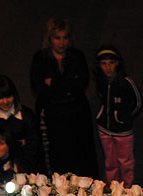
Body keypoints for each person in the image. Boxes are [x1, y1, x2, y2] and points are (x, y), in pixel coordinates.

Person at [30, 18, 98, 178]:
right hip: (53, 115)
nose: (62, 43)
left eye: (65, 38)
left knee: (80, 153)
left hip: (76, 113)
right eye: (57, 38)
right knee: (57, 154)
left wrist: (53, 82)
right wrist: (67, 83)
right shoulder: (40, 58)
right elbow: (37, 86)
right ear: (50, 39)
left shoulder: (77, 56)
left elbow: (81, 83)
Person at [93, 46, 143, 188]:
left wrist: (125, 117)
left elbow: (138, 102)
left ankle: (127, 189)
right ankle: (114, 189)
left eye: (111, 63)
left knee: (125, 161)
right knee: (110, 162)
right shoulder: (101, 81)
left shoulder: (126, 82)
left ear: (117, 63)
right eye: (104, 64)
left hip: (122, 131)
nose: (108, 68)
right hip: (105, 129)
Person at [0, 75, 41, 174]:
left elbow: (34, 145)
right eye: (0, 98)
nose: (5, 101)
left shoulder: (26, 114)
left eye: (8, 96)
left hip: (24, 169)